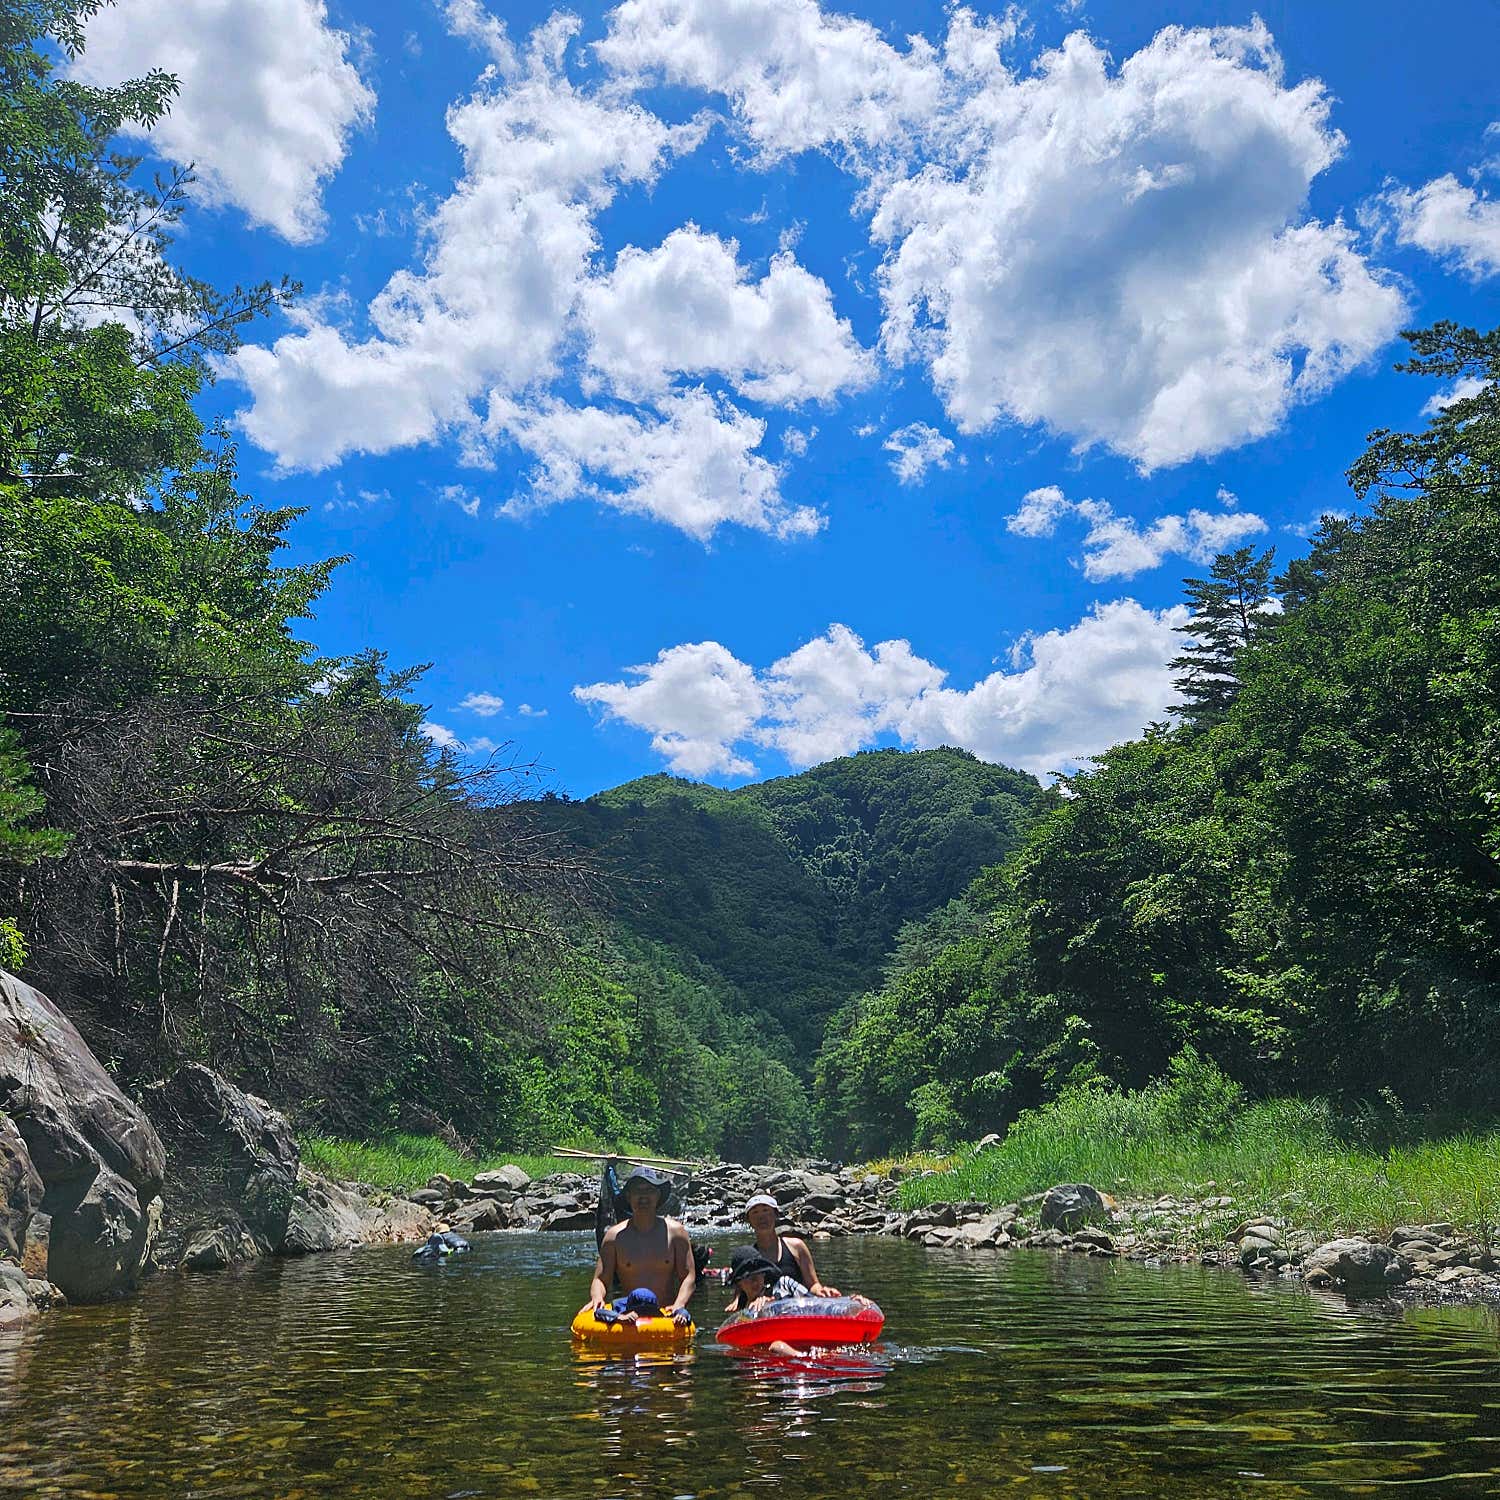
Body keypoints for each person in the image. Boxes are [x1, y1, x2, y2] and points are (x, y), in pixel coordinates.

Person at [584, 1165, 696, 1327]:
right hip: (630, 1317)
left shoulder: (677, 1233)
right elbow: (601, 1279)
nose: (643, 1197)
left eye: (649, 1190)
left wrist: (680, 1303)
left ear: (657, 1195)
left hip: (667, 1316)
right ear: (629, 1197)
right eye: (638, 1191)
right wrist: (597, 1298)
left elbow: (688, 1277)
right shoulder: (614, 1237)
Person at [742, 1192, 839, 1296]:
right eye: (755, 1212)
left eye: (766, 1210)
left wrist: (822, 1291)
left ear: (776, 1214)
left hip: (797, 1305)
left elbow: (813, 1284)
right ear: (749, 1221)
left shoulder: (797, 1246)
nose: (761, 1217)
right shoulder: (748, 1257)